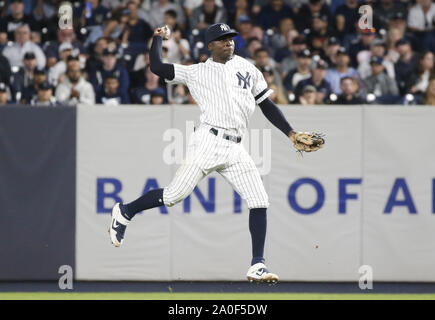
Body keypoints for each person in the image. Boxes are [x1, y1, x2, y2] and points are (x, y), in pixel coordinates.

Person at [109, 23, 319, 283]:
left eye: (230, 37)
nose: (228, 42)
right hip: (208, 141)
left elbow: (267, 105)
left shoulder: (247, 69)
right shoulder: (197, 72)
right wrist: (156, 40)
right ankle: (125, 211)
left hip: (235, 147)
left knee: (259, 200)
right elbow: (157, 68)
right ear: (210, 45)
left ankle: (257, 265)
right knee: (174, 195)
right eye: (222, 39)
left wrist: (290, 133)